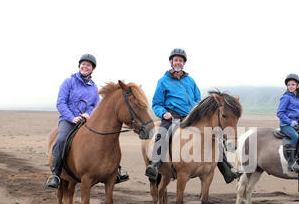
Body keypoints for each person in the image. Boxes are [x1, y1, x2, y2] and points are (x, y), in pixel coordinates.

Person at [145, 48, 239, 183]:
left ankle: (226, 168)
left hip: (191, 116)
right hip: (172, 116)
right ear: (171, 62)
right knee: (162, 133)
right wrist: (163, 113)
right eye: (176, 60)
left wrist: (197, 109)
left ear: (184, 63)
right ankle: (155, 164)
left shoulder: (190, 80)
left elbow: (197, 99)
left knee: (213, 135)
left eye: (181, 60)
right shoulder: (163, 81)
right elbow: (156, 104)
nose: (178, 63)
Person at [45, 54, 129, 189]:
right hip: (69, 120)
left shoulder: (94, 88)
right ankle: (55, 174)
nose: (85, 66)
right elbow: (61, 103)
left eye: (88, 65)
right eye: (83, 64)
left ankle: (114, 171)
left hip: (87, 121)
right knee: (60, 140)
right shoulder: (68, 82)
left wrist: (88, 115)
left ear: (92, 69)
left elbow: (97, 107)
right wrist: (72, 117)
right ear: (79, 66)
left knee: (107, 141)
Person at [277, 73, 299, 172]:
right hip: (285, 125)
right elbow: (280, 113)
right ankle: (291, 163)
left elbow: (298, 113)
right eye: (289, 85)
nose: (290, 86)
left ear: (297, 85)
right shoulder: (286, 97)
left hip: (295, 123)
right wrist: (290, 122)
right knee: (295, 136)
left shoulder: (298, 99)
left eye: (293, 84)